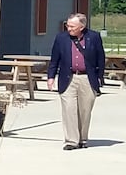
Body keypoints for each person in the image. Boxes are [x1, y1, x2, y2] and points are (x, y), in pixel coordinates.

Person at [45, 12, 105, 150]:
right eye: (68, 25)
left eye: (72, 26)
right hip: (68, 77)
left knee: (85, 110)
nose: (69, 28)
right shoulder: (61, 38)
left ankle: (82, 139)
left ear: (82, 27)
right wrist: (51, 77)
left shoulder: (94, 37)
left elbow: (100, 58)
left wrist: (100, 77)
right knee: (69, 109)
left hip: (87, 78)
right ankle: (71, 141)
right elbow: (55, 59)